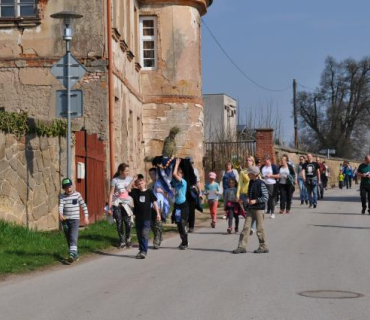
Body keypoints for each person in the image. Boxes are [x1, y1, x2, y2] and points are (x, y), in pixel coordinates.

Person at [232, 166, 269, 254]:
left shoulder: (261, 183)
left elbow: (266, 197)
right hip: (250, 209)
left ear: (255, 174)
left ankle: (263, 246)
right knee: (246, 228)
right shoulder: (251, 182)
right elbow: (249, 194)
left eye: (249, 173)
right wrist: (248, 199)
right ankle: (241, 247)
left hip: (259, 209)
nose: (248, 174)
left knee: (260, 228)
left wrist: (256, 200)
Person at [129, 175, 161, 259]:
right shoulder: (135, 192)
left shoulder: (149, 192)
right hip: (138, 217)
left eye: (142, 183)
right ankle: (141, 250)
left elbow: (154, 203)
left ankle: (144, 251)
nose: (140, 185)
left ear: (145, 182)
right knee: (139, 235)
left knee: (144, 234)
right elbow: (127, 190)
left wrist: (158, 213)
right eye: (138, 184)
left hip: (147, 217)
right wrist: (133, 180)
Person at [59, 178, 89, 263]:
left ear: (72, 185)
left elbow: (84, 206)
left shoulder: (77, 195)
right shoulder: (62, 196)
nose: (68, 189)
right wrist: (60, 214)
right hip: (65, 220)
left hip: (75, 220)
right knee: (69, 238)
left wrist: (86, 217)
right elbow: (61, 206)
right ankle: (75, 254)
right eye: (66, 188)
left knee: (73, 236)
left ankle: (71, 254)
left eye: (69, 187)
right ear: (63, 188)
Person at [108, 163, 135, 248]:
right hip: (117, 204)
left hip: (127, 204)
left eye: (128, 170)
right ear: (121, 171)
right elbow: (111, 194)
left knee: (127, 222)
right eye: (126, 171)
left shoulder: (130, 179)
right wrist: (109, 207)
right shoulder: (115, 180)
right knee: (119, 223)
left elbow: (134, 191)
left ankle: (128, 240)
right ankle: (122, 241)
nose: (128, 172)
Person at [148, 167, 170, 249]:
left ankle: (156, 241)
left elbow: (168, 195)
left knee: (157, 223)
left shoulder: (162, 183)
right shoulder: (150, 185)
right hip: (151, 205)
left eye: (153, 174)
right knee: (151, 224)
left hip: (160, 205)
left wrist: (161, 191)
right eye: (150, 174)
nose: (152, 176)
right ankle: (159, 236)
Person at [171, 158, 190, 250]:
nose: (176, 176)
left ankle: (185, 242)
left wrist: (177, 163)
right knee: (179, 225)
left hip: (184, 205)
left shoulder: (183, 182)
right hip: (177, 206)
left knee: (183, 224)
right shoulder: (175, 182)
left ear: (182, 175)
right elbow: (172, 175)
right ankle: (183, 241)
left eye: (179, 174)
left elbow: (174, 174)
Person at [237, 156, 257, 231]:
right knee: (247, 212)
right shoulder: (243, 172)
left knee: (253, 210)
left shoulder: (256, 170)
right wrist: (237, 194)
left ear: (252, 161)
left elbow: (260, 181)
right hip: (244, 193)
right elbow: (239, 184)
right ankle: (249, 225)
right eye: (247, 160)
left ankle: (251, 227)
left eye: (250, 160)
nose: (248, 161)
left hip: (253, 193)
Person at [187, 157, 201, 233]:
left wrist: (200, 192)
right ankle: (185, 223)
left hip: (192, 190)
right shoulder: (183, 171)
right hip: (184, 190)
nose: (190, 164)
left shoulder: (195, 171)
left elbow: (198, 182)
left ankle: (191, 226)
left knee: (191, 209)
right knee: (185, 208)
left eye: (191, 163)